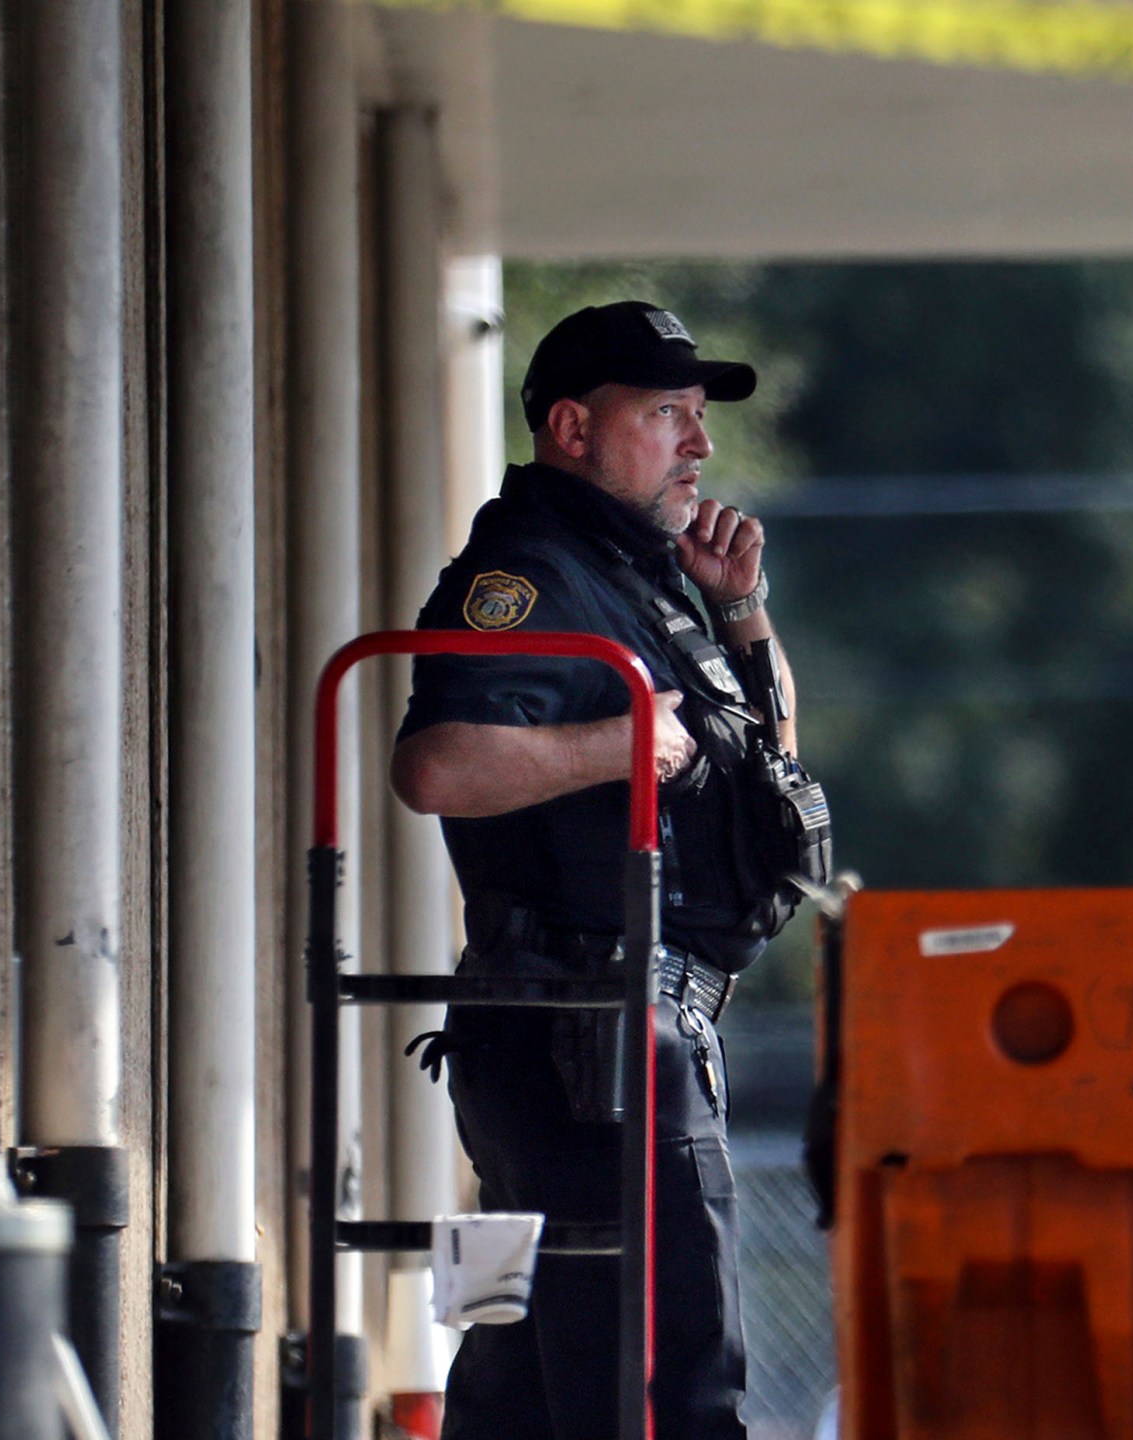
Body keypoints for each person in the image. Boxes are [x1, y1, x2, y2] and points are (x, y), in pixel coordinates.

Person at [390, 301, 830, 1440]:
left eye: (698, 417)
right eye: (667, 415)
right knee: (669, 1387)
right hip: (583, 1036)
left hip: (615, 1034)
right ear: (574, 427)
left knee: (526, 1387)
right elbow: (437, 766)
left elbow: (771, 755)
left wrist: (739, 610)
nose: (699, 443)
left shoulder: (640, 576)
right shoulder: (527, 575)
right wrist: (617, 745)